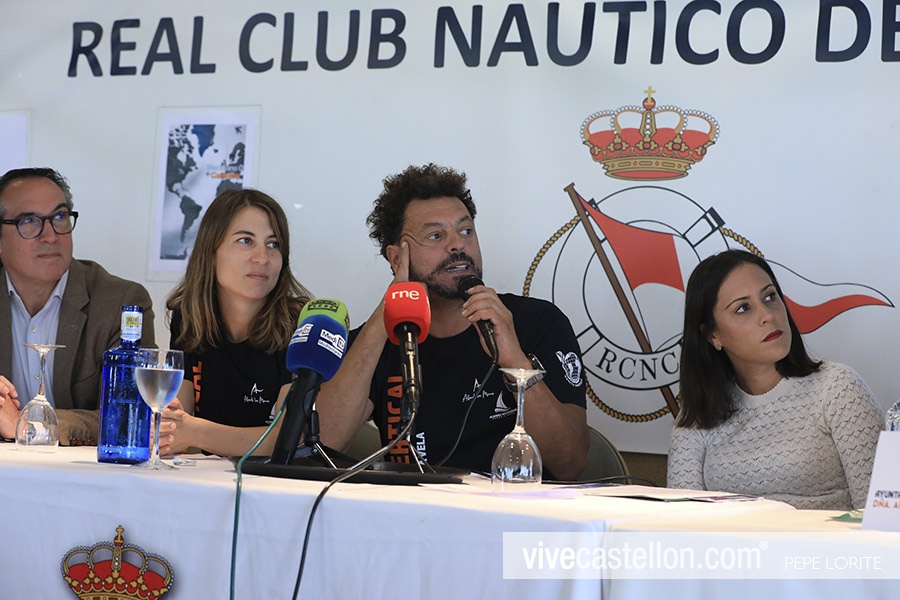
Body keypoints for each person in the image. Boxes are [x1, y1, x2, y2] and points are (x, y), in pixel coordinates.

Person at [317, 163, 589, 480]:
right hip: (415, 509)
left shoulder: (538, 322)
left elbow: (571, 463)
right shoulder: (375, 343)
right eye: (435, 235)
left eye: (466, 231)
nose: (457, 244)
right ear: (396, 257)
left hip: (516, 506)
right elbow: (325, 441)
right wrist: (388, 312)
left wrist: (515, 360)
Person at [668, 249, 883, 510]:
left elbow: (880, 516)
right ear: (713, 335)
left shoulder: (838, 388)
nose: (768, 315)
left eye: (770, 297)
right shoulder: (698, 414)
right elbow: (681, 519)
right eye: (743, 308)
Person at [0, 167, 154, 445]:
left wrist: (27, 425)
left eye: (59, 217)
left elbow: (131, 416)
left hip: (81, 468)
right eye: (29, 221)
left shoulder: (121, 302)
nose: (50, 236)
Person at [158, 188, 312, 457]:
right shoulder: (189, 317)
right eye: (245, 241)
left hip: (272, 479)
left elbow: (288, 438)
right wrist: (165, 431)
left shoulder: (301, 325)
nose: (262, 257)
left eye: (273, 244)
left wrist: (197, 433)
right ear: (211, 251)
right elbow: (177, 422)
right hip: (209, 477)